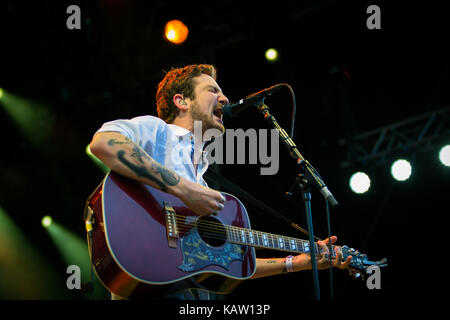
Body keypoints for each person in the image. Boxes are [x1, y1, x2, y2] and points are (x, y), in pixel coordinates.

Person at [89, 64, 352, 300]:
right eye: (212, 90)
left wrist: (299, 262)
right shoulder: (155, 131)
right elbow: (103, 143)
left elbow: (223, 265)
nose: (224, 98)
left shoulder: (203, 182)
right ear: (181, 101)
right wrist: (183, 188)